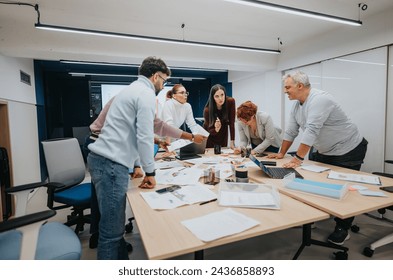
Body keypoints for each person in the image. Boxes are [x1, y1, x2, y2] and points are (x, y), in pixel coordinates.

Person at [84, 90, 205, 254]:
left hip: (104, 154)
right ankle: (108, 242)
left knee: (111, 218)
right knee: (111, 228)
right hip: (107, 157)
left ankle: (110, 241)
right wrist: (147, 171)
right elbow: (141, 134)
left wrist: (145, 154)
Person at [268, 71, 368, 246]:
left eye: (288, 87)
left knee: (343, 189)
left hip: (348, 148)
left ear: (300, 86)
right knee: (313, 182)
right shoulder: (297, 105)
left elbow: (311, 130)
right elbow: (291, 130)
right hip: (324, 149)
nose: (285, 91)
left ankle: (342, 228)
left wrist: (298, 158)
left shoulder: (320, 100)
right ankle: (311, 219)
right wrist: (282, 153)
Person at [87, 56, 171, 260]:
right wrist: (150, 172)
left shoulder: (130, 90)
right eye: (164, 81)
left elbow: (131, 133)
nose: (163, 85)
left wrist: (136, 165)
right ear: (155, 76)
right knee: (111, 233)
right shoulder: (147, 94)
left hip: (102, 160)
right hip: (111, 165)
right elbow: (143, 136)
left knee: (112, 229)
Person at [203, 84, 236, 149]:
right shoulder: (207, 110)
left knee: (223, 155)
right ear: (213, 97)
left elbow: (232, 123)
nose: (220, 98)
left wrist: (232, 141)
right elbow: (209, 130)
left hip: (223, 133)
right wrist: (216, 129)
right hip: (210, 136)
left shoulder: (230, 102)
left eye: (222, 95)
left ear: (225, 94)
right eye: (217, 96)